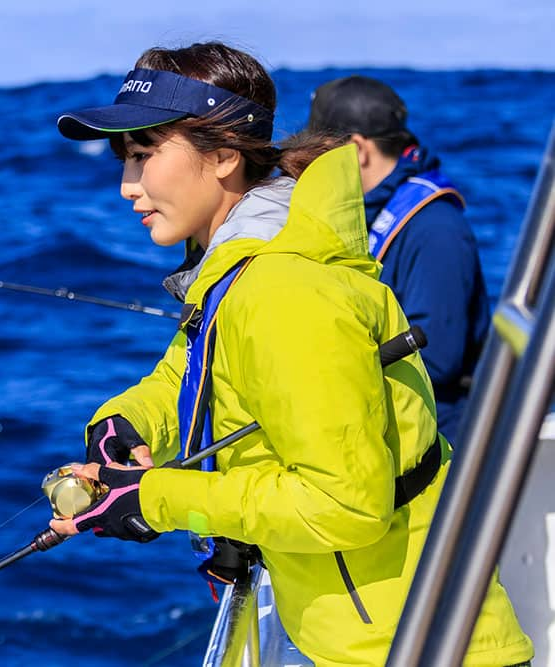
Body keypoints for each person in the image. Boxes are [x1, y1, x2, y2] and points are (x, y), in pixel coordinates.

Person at [49, 42, 532, 666]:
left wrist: (152, 498)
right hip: (365, 633)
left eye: (144, 156)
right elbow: (191, 373)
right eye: (124, 160)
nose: (126, 186)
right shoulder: (242, 262)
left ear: (224, 154)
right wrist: (127, 423)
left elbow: (343, 505)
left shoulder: (280, 288)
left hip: (405, 646)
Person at [306, 75, 491, 442]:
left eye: (317, 154)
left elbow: (437, 358)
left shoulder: (436, 228)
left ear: (357, 149)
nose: (308, 168)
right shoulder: (368, 213)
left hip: (435, 447)